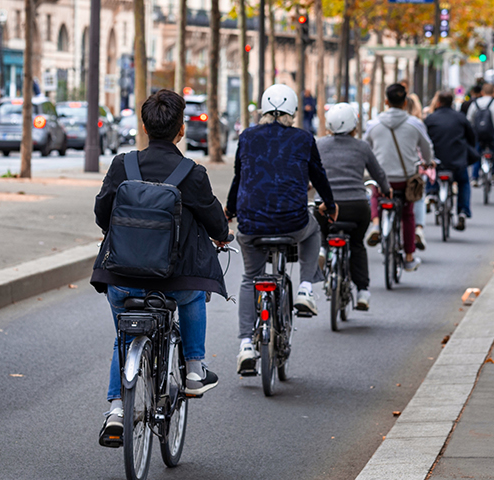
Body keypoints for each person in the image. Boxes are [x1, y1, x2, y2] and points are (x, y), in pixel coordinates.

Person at [90, 89, 231, 447]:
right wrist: (223, 235)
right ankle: (195, 369)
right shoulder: (192, 173)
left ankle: (116, 412)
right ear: (181, 130)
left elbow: (101, 214)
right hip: (174, 280)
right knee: (194, 295)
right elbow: (215, 221)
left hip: (121, 277)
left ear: (144, 126)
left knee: (124, 336)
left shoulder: (123, 164)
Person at [227, 84, 337, 376]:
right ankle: (304, 289)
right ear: (294, 112)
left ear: (263, 110)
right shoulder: (303, 137)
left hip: (250, 224)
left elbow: (240, 176)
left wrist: (230, 210)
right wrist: (330, 203)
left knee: (251, 277)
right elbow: (318, 174)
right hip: (292, 222)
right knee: (313, 230)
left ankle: (246, 346)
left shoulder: (247, 136)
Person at [316, 103, 389, 311]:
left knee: (321, 228)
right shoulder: (362, 147)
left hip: (326, 207)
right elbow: (378, 174)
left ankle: (323, 248)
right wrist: (386, 189)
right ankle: (363, 292)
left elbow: (307, 172)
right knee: (357, 244)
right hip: (357, 206)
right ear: (354, 126)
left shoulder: (319, 145)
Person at [363, 82, 435, 270]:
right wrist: (428, 162)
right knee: (408, 213)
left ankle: (376, 224)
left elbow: (365, 149)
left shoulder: (373, 124)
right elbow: (427, 149)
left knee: (375, 192)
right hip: (405, 180)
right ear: (405, 103)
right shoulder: (415, 124)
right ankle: (409, 257)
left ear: (386, 101)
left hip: (383, 180)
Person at [423, 92, 478, 230]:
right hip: (457, 160)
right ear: (451, 102)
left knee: (430, 172)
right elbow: (471, 137)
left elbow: (424, 140)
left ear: (438, 103)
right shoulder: (460, 118)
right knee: (464, 182)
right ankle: (463, 212)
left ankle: (431, 194)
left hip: (437, 160)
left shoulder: (430, 119)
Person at [467, 84, 494, 189]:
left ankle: (474, 177)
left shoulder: (475, 103)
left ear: (482, 92)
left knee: (477, 155)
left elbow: (469, 119)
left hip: (478, 136)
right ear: (493, 93)